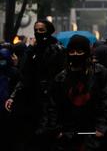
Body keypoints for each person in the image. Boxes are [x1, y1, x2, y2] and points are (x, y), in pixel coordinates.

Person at [41, 35, 107, 151]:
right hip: (67, 132)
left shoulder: (99, 72)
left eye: (79, 52)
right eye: (72, 52)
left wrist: (101, 127)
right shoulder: (61, 78)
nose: (75, 55)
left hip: (92, 131)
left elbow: (106, 100)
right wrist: (56, 129)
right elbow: (52, 105)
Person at [5, 19, 66, 151]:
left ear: (48, 31)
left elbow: (62, 75)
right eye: (36, 30)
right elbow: (25, 76)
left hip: (51, 100)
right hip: (31, 99)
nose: (38, 33)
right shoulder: (32, 50)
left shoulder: (58, 50)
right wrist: (13, 96)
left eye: (41, 30)